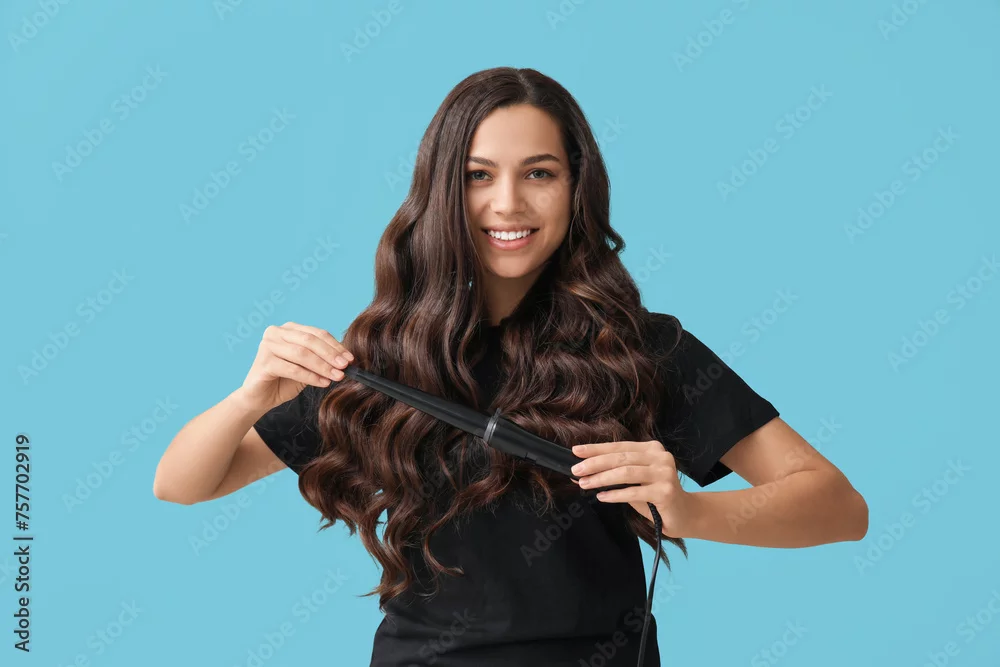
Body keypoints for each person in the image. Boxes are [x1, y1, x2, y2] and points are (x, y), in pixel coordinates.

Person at [153, 67, 868, 666]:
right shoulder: (385, 358)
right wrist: (248, 399)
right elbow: (182, 483)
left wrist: (689, 511)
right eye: (478, 176)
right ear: (442, 191)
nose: (507, 203)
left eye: (539, 173)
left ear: (576, 187)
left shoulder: (641, 351)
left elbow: (839, 505)